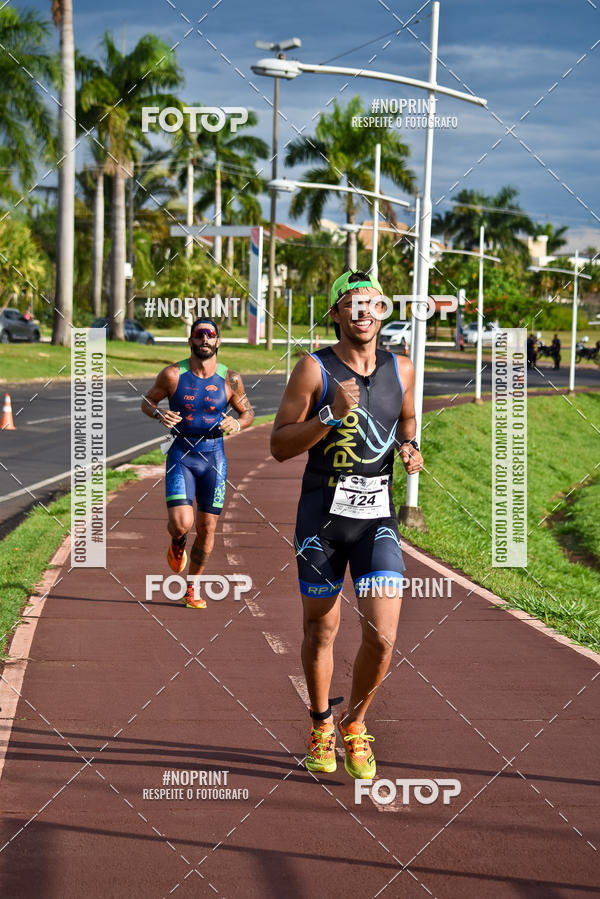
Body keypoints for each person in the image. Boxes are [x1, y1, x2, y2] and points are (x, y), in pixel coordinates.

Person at [271, 270, 423, 780]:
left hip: (376, 522)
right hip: (321, 522)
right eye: (350, 304)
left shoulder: (403, 369)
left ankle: (355, 723)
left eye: (372, 303)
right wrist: (330, 418)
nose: (362, 312)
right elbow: (278, 446)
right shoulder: (314, 369)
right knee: (323, 627)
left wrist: (409, 446)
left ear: (383, 311)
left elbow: (405, 420)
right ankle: (320, 724)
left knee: (382, 635)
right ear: (335, 313)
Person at [141, 317, 254, 608]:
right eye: (199, 334)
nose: (205, 339)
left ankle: (192, 588)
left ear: (218, 341)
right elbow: (147, 401)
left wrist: (237, 424)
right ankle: (177, 543)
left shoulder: (231, 379)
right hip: (181, 454)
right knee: (182, 523)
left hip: (214, 457)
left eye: (211, 335)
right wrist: (158, 415)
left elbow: (248, 413)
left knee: (207, 527)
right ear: (190, 340)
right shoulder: (172, 375)